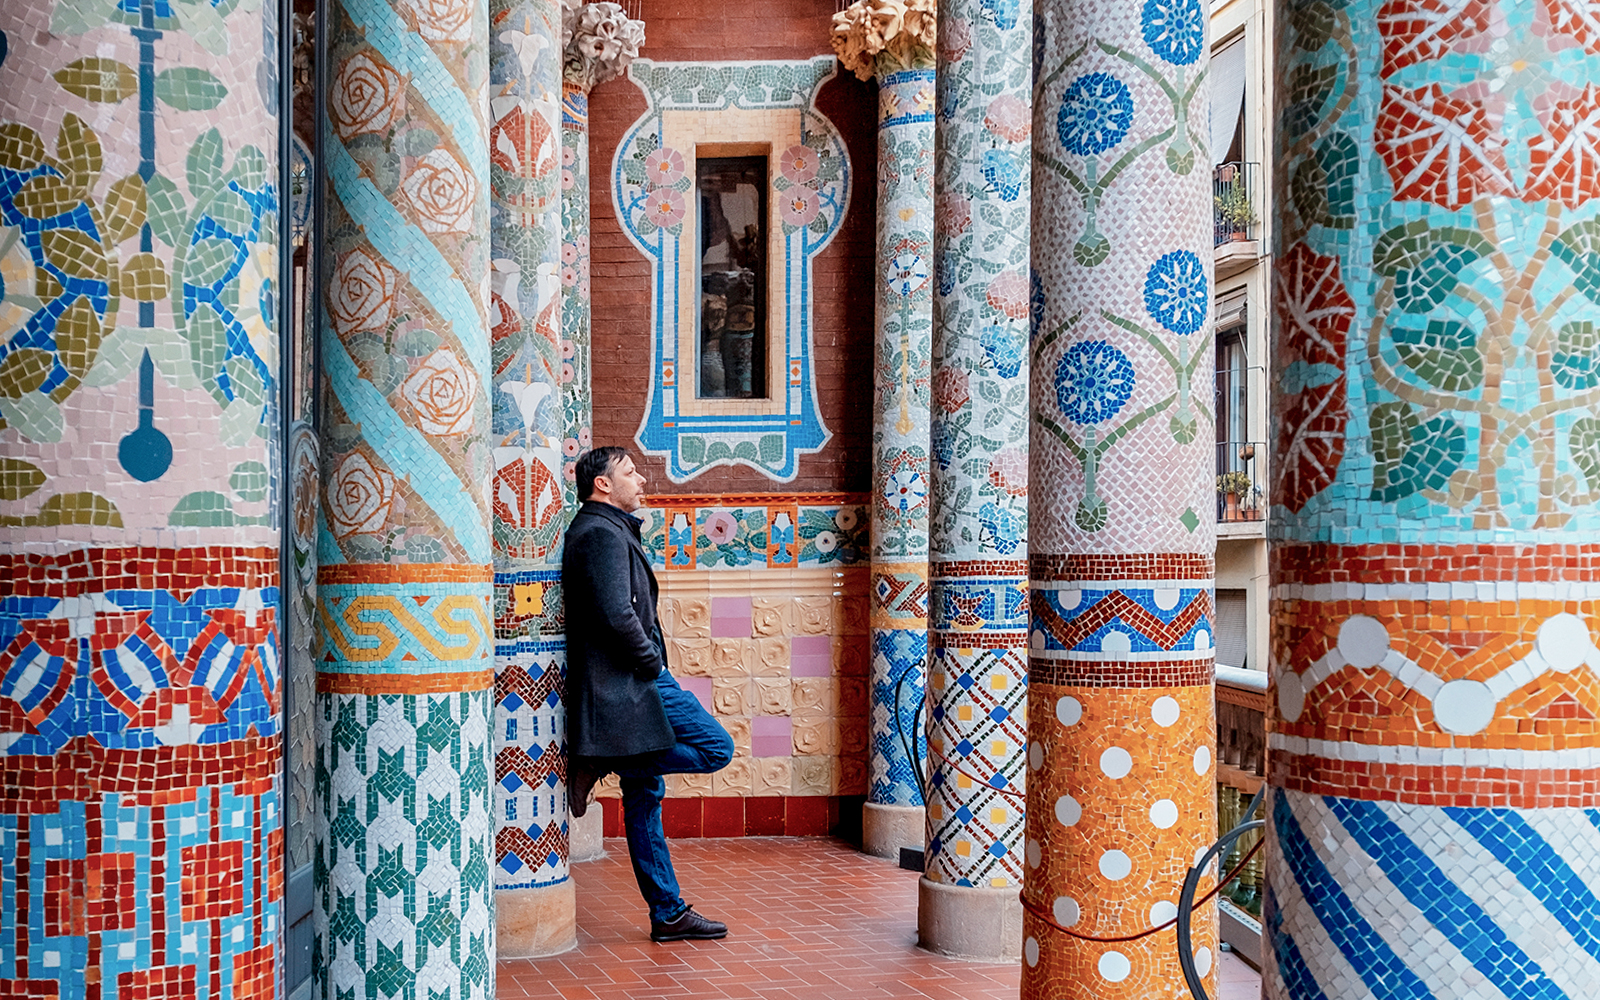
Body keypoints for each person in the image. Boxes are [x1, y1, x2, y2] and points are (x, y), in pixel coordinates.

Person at [563, 446, 735, 942]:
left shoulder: (608, 530)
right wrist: (653, 665)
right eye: (630, 472)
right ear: (602, 484)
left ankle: (668, 912)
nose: (641, 480)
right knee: (715, 747)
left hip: (632, 683)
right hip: (635, 682)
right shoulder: (599, 533)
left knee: (645, 797)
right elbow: (618, 614)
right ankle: (609, 761)